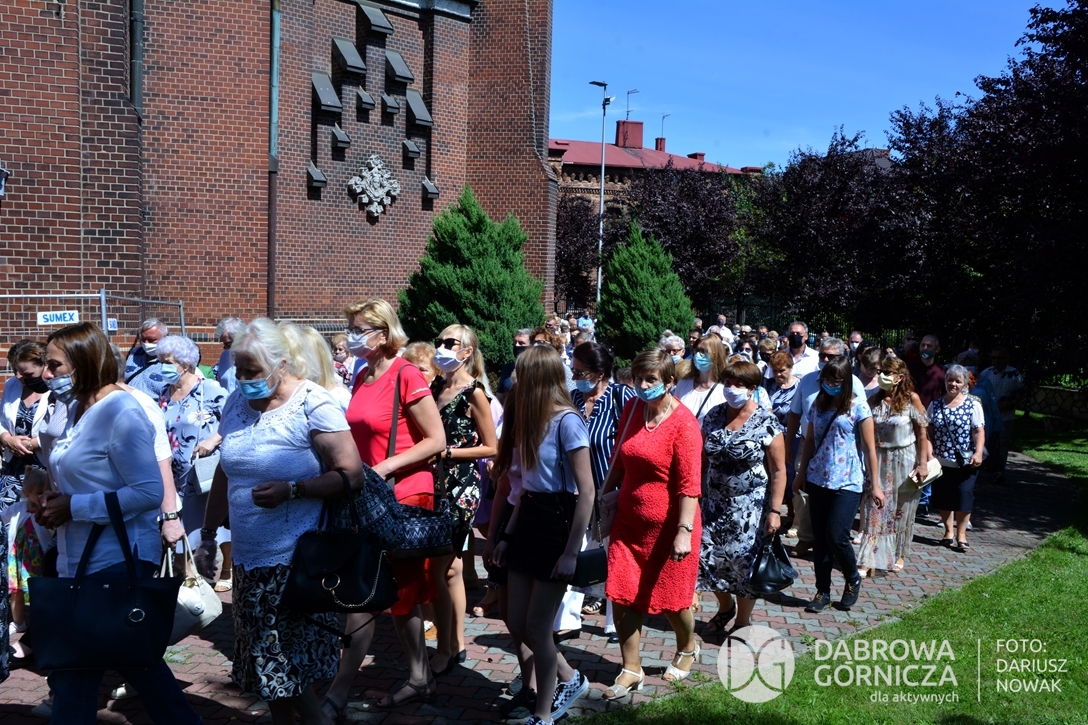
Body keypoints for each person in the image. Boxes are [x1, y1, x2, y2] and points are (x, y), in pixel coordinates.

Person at [194, 319, 363, 725]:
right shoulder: (236, 403)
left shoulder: (313, 403)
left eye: (252, 370)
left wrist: (293, 490)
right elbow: (225, 473)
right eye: (239, 369)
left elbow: (351, 474)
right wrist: (208, 533)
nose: (243, 379)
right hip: (248, 560)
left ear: (281, 364)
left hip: (296, 561)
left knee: (283, 663)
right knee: (267, 668)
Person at [36, 322, 202, 725]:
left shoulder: (121, 411)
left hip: (116, 558)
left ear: (83, 363)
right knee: (124, 662)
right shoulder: (79, 408)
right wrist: (51, 495)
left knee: (89, 669)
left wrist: (74, 507)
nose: (46, 373)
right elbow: (84, 473)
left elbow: (147, 492)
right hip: (79, 558)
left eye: (54, 365)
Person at [322, 299, 446, 717]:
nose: (352, 335)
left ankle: (339, 692)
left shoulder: (406, 374)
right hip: (369, 495)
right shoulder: (363, 374)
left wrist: (385, 467)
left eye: (360, 329)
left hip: (403, 494)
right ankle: (419, 676)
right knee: (388, 593)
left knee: (378, 592)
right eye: (351, 327)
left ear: (383, 333)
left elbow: (436, 439)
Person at [491, 346, 593, 724]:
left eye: (522, 373)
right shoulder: (530, 420)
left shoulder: (568, 421)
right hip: (528, 520)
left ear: (538, 377)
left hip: (556, 524)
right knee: (518, 621)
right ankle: (569, 677)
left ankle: (543, 714)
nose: (514, 380)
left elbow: (587, 492)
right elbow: (526, 490)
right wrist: (506, 536)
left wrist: (570, 553)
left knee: (537, 626)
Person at [600, 349, 703, 700]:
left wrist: (684, 532)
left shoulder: (684, 424)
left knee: (673, 600)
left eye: (651, 380)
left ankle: (687, 646)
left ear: (670, 382)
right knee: (621, 592)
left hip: (671, 527)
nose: (642, 386)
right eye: (638, 378)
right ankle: (631, 668)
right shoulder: (632, 410)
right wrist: (601, 499)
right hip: (629, 523)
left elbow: (690, 485)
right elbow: (618, 461)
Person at [429, 324, 498, 676]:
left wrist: (449, 453)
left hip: (461, 486)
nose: (441, 347)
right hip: (433, 482)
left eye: (450, 342)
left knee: (441, 567)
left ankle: (446, 646)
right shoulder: (436, 386)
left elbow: (491, 446)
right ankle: (455, 643)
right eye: (439, 341)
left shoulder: (474, 392)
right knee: (452, 569)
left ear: (467, 351)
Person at [697, 361, 786, 635]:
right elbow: (701, 460)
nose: (731, 389)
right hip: (713, 505)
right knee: (709, 560)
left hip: (749, 509)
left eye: (738, 384)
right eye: (727, 383)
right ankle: (725, 607)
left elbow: (779, 470)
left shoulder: (766, 421)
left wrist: (775, 511)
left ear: (752, 389)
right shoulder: (714, 415)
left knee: (743, 565)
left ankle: (742, 621)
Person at [794, 357, 883, 613]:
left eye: (835, 381)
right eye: (826, 380)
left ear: (846, 382)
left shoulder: (859, 408)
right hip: (818, 478)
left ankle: (852, 577)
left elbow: (870, 448)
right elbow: (810, 441)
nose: (830, 385)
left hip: (848, 481)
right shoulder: (818, 405)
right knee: (820, 539)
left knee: (837, 535)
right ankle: (822, 591)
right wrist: (801, 474)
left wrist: (875, 485)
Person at [567, 342, 636, 636]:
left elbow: (634, 441)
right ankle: (567, 620)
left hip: (612, 492)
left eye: (580, 372)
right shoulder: (572, 398)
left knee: (614, 555)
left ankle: (614, 620)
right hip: (576, 491)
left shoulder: (622, 396)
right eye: (573, 371)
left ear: (599, 372)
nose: (575, 378)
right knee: (575, 550)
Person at [155, 335, 231, 585]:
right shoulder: (164, 393)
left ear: (185, 363)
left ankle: (206, 579)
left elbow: (233, 421)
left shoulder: (209, 389)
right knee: (178, 530)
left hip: (200, 475)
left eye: (167, 362)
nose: (162, 367)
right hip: (173, 477)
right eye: (160, 361)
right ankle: (188, 582)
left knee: (199, 530)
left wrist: (213, 440)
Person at [856, 356, 931, 575]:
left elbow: (922, 432)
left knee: (901, 510)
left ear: (899, 377)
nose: (881, 376)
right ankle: (867, 558)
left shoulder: (911, 399)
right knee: (874, 509)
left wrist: (923, 464)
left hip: (904, 459)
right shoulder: (873, 400)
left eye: (887, 373)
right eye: (880, 372)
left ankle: (898, 553)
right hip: (878, 459)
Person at [927, 365, 985, 552]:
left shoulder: (973, 405)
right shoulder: (935, 405)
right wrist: (929, 454)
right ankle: (948, 532)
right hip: (941, 461)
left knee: (964, 496)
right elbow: (928, 432)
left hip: (965, 462)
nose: (953, 384)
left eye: (958, 381)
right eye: (950, 380)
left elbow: (978, 431)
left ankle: (961, 534)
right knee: (943, 497)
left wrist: (978, 452)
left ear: (964, 384)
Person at [978, 347, 1022, 484]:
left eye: (1000, 357)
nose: (996, 360)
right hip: (988, 415)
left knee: (1002, 443)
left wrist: (1012, 403)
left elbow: (1022, 393)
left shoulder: (1014, 374)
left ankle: (1000, 472)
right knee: (984, 441)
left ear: (1006, 359)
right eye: (994, 358)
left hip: (1006, 415)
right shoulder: (986, 373)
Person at [673, 334, 729, 425]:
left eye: (704, 351)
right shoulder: (683, 383)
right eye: (696, 350)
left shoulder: (724, 391)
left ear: (716, 355)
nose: (698, 355)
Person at [123, 318, 170, 398]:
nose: (146, 343)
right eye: (143, 339)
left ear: (165, 337)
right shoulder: (135, 353)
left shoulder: (172, 361)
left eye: (151, 340)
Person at [212, 316, 245, 394]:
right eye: (223, 343)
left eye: (228, 343)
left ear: (240, 338)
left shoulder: (253, 358)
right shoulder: (225, 356)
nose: (225, 347)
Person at [498, 329, 533, 400]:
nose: (516, 345)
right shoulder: (508, 368)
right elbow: (500, 397)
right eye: (515, 342)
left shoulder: (538, 369)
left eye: (521, 343)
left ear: (531, 346)